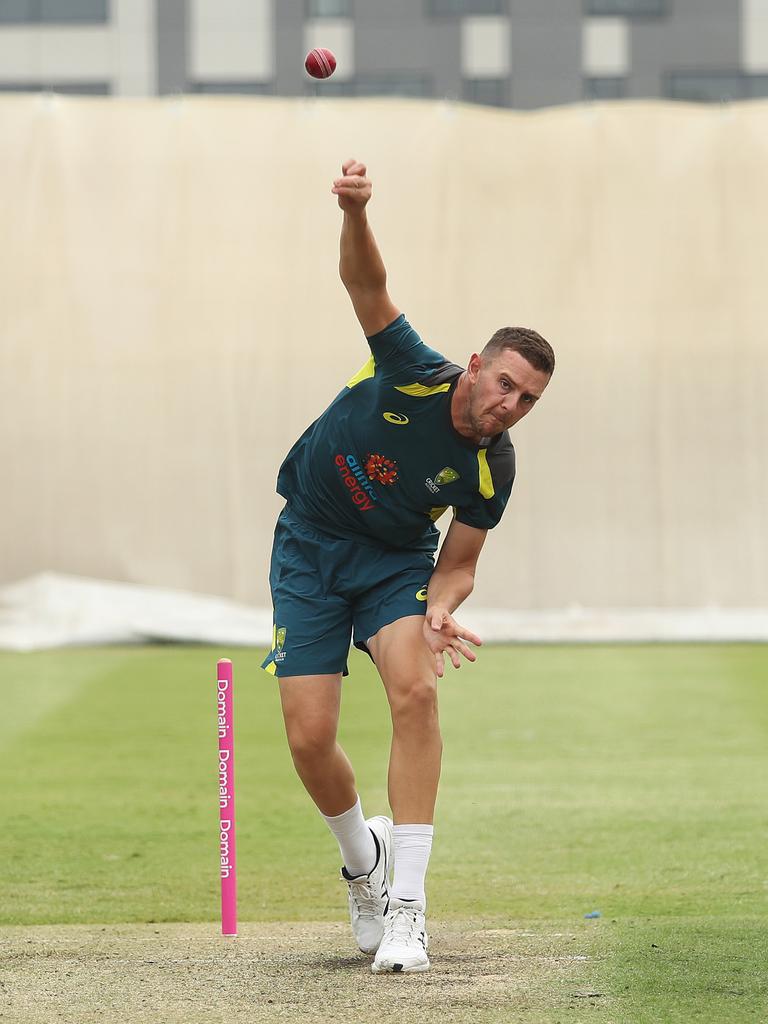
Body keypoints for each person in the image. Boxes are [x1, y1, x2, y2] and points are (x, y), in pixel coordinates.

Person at [262, 158, 554, 974]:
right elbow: (366, 283)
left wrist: (438, 604)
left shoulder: (493, 467)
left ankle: (408, 911)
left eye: (528, 399)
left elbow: (459, 561)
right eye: (506, 383)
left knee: (416, 690)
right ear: (475, 364)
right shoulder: (410, 370)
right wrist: (355, 211)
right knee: (310, 738)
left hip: (394, 565)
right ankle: (364, 868)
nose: (509, 405)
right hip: (309, 547)